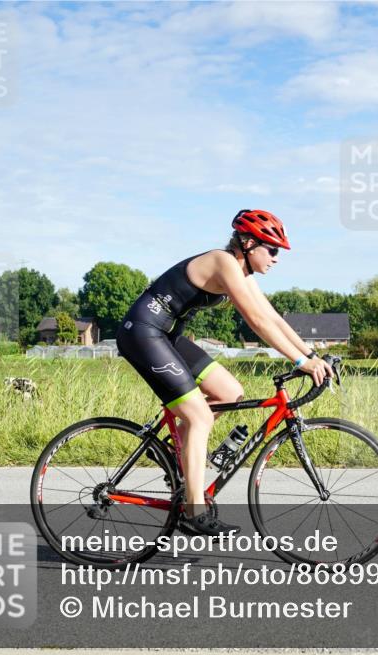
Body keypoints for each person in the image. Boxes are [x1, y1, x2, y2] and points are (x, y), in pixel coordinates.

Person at [116, 209, 333, 536]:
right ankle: (193, 510)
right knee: (200, 417)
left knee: (230, 392)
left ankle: (178, 456)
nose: (276, 258)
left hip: (167, 336)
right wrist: (301, 364)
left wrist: (311, 355)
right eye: (271, 250)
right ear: (247, 243)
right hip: (143, 333)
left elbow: (272, 317)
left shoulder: (242, 271)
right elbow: (256, 323)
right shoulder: (223, 262)